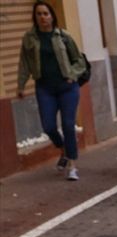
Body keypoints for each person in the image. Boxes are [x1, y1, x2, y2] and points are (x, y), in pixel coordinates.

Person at [14, 1, 89, 181]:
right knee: (48, 126)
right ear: (35, 17)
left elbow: (79, 61)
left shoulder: (63, 36)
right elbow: (24, 63)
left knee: (68, 125)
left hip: (67, 87)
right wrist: (21, 85)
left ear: (52, 16)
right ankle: (63, 148)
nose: (43, 17)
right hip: (45, 88)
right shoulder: (29, 38)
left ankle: (72, 164)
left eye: (46, 13)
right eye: (39, 14)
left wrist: (72, 74)